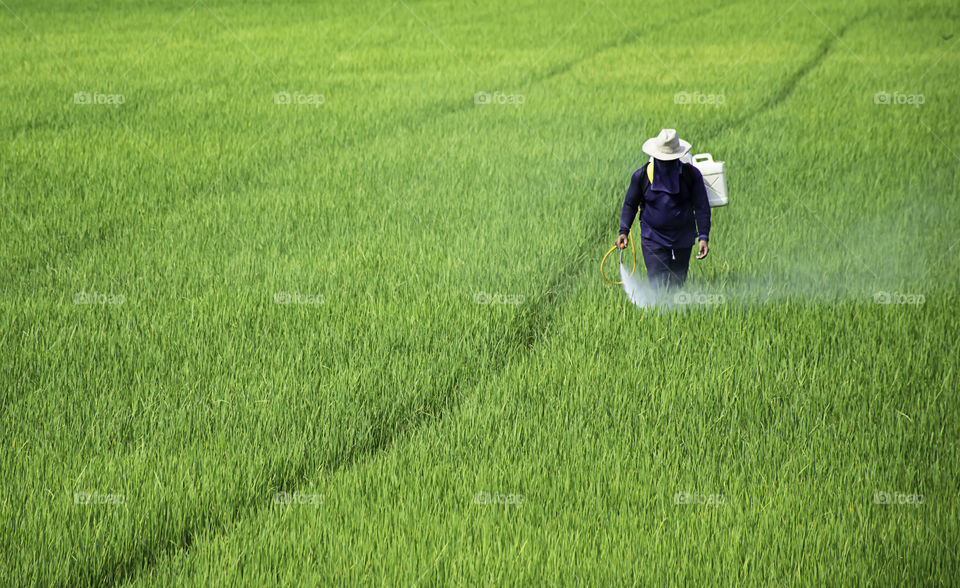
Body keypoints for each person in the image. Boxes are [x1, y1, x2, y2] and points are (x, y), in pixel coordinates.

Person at [616, 129, 711, 289]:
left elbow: (702, 207)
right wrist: (623, 231)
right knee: (657, 283)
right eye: (662, 159)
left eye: (670, 160)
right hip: (653, 237)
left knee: (677, 283)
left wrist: (703, 236)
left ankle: (674, 313)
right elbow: (630, 204)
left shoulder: (691, 175)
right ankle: (658, 311)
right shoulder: (642, 176)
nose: (666, 163)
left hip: (683, 237)